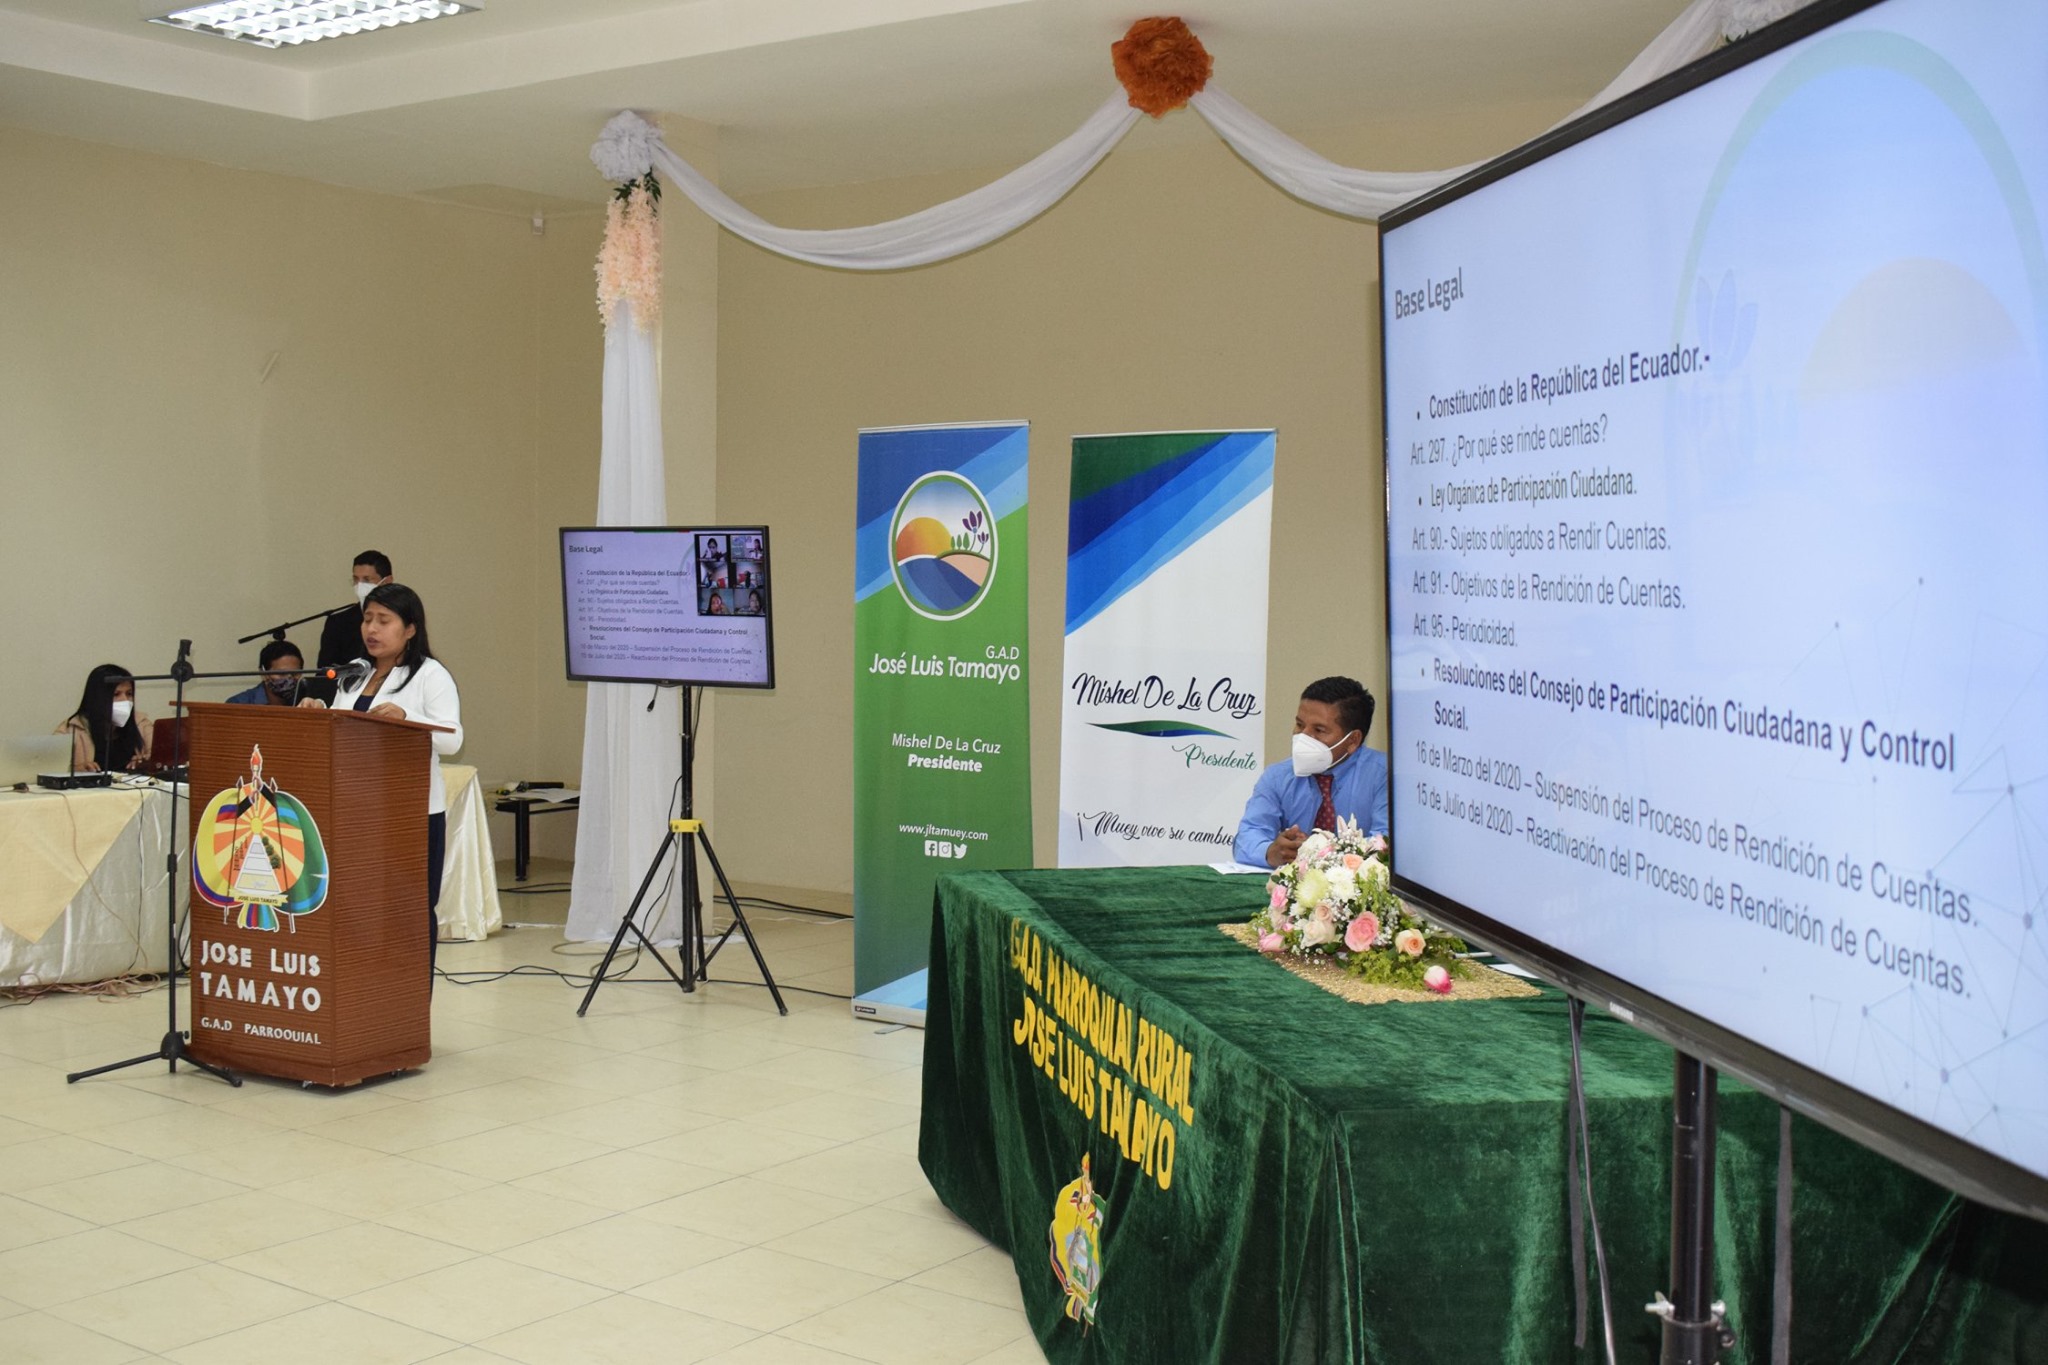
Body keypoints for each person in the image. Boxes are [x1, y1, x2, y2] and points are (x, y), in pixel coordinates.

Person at [298, 582, 460, 972]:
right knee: (358, 910)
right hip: (356, 812)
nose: (371, 628)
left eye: (384, 620)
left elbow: (453, 740)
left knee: (407, 912)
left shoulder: (431, 675)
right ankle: (366, 990)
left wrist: (408, 719)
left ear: (410, 628)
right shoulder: (356, 673)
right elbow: (344, 730)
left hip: (410, 816)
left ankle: (408, 997)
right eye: (367, 619)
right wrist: (318, 713)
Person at [1233, 675, 1390, 867]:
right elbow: (1247, 837)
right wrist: (1271, 852)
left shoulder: (1384, 776)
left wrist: (1319, 852)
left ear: (1352, 740)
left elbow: (1384, 845)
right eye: (1300, 725)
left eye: (1319, 730)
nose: (1303, 737)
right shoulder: (1277, 776)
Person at [310, 550, 393, 704]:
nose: (360, 586)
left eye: (367, 580)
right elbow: (325, 673)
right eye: (356, 580)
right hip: (346, 698)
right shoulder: (338, 622)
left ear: (387, 581)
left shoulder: (401, 620)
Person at [60, 663, 151, 772]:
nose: (125, 700)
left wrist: (145, 763)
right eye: (116, 694)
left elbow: (160, 759)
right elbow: (52, 771)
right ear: (97, 697)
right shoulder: (70, 730)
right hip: (94, 784)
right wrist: (78, 770)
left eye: (129, 694)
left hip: (135, 783)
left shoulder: (142, 724)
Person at [226, 640, 306, 706]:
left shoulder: (305, 702)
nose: (289, 679)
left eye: (295, 673)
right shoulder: (239, 704)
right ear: (263, 674)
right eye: (282, 673)